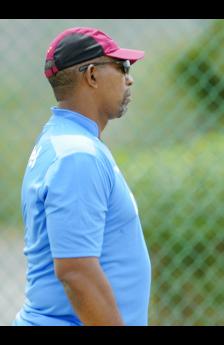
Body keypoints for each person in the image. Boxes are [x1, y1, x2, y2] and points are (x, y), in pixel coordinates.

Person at [13, 27, 151, 326]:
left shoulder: (63, 140)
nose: (129, 78)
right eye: (121, 67)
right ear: (91, 75)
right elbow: (76, 272)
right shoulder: (77, 156)